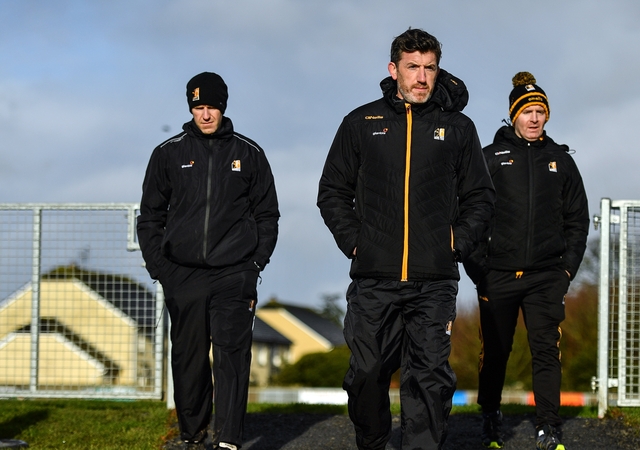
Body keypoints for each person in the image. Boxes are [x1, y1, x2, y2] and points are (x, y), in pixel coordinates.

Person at [317, 28, 495, 450]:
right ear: (393, 69)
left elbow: (482, 197)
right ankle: (374, 440)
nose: (421, 77)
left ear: (438, 70)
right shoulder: (360, 123)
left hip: (434, 279)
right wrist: (355, 241)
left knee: (429, 379)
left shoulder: (458, 128)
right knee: (365, 372)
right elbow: (332, 192)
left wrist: (456, 242)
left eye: (429, 68)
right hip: (373, 277)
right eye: (412, 67)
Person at [137, 72, 279, 450]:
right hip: (182, 274)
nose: (205, 114)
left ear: (223, 107)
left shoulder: (249, 153)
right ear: (190, 109)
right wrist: (161, 267)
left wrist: (255, 264)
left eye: (211, 106)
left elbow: (268, 214)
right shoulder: (168, 153)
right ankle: (192, 432)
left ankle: (229, 438)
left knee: (232, 356)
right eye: (198, 107)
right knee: (189, 359)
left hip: (235, 273)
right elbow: (150, 216)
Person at [463, 72, 589, 450]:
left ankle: (549, 426)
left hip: (546, 277)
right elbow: (467, 214)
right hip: (496, 275)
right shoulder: (489, 158)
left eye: (540, 112)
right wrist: (478, 268)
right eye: (526, 112)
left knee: (546, 351)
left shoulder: (561, 161)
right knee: (496, 353)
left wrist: (566, 270)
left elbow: (577, 220)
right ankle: (490, 417)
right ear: (512, 115)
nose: (534, 119)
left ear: (547, 116)